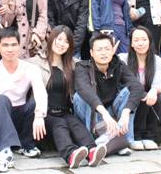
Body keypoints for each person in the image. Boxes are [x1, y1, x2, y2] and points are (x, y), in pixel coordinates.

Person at [29, 26, 108, 167]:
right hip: (44, 114)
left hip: (64, 112)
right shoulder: (35, 62)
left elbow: (93, 67)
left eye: (66, 41)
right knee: (59, 124)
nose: (62, 44)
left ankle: (92, 151)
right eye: (59, 39)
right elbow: (12, 60)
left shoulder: (73, 64)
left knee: (75, 123)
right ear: (51, 39)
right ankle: (70, 155)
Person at [0, 28, 48, 173]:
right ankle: (5, 151)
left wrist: (39, 115)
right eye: (5, 45)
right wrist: (9, 83)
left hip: (21, 116)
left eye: (13, 44)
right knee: (1, 100)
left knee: (35, 102)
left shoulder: (30, 68)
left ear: (19, 46)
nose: (10, 49)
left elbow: (40, 92)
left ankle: (26, 145)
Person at [73, 33, 143, 156]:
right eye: (99, 50)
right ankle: (92, 142)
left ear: (112, 51)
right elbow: (84, 89)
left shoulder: (118, 64)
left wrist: (126, 112)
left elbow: (137, 86)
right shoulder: (82, 67)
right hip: (92, 113)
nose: (104, 53)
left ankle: (125, 139)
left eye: (107, 49)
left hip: (111, 110)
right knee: (80, 97)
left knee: (129, 92)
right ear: (91, 53)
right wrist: (104, 114)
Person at [118, 27, 161, 151]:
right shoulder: (123, 58)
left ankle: (150, 136)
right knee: (141, 95)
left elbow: (158, 81)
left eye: (144, 39)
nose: (140, 43)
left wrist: (153, 91)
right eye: (136, 40)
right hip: (131, 97)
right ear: (131, 43)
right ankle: (136, 135)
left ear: (150, 41)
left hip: (148, 97)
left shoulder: (157, 60)